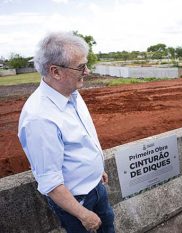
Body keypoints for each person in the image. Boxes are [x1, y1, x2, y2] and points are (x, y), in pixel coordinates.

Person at [18, 32, 116, 233]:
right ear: (55, 72)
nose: (87, 71)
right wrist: (83, 214)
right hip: (77, 203)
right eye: (81, 67)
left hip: (96, 186)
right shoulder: (39, 118)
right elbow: (50, 181)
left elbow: (84, 137)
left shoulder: (71, 93)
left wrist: (97, 168)